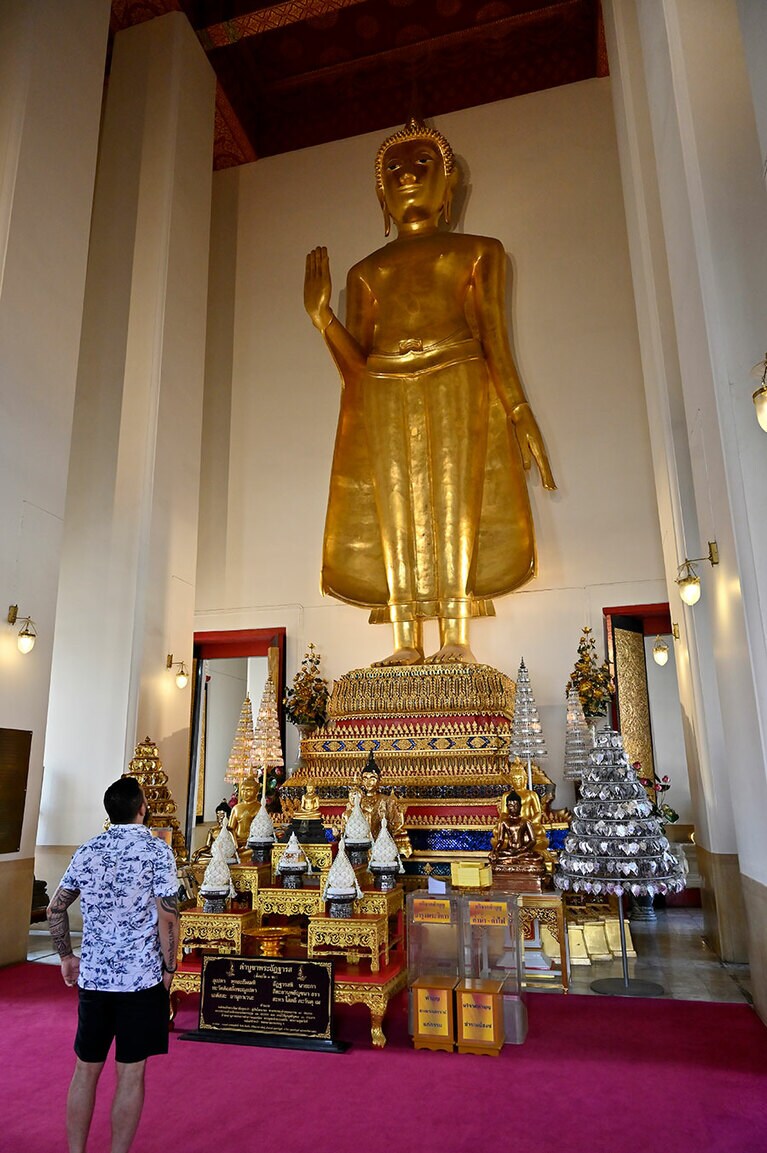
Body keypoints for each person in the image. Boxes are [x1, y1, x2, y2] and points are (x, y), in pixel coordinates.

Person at [304, 117, 556, 666]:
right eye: (392, 171)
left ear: (448, 187)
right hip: (386, 384)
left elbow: (495, 340)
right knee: (396, 506)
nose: (407, 177)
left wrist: (519, 410)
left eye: (423, 165)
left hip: (458, 371)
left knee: (454, 498)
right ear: (381, 195)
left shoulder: (479, 252)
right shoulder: (365, 272)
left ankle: (457, 636)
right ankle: (404, 641)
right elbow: (358, 367)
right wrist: (323, 318)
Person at [47, 775, 179, 1153]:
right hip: (141, 979)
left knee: (85, 1070)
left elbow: (56, 908)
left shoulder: (88, 850)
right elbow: (168, 917)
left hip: (95, 978)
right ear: (142, 808)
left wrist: (66, 956)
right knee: (131, 1072)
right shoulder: (156, 852)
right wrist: (169, 969)